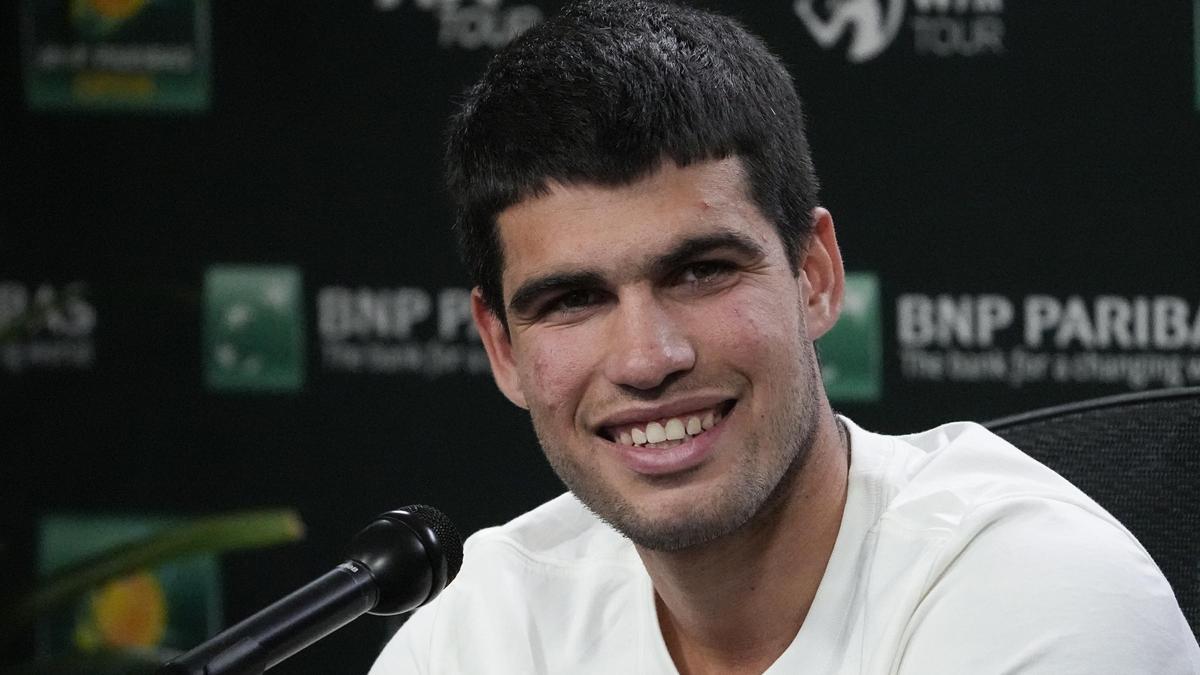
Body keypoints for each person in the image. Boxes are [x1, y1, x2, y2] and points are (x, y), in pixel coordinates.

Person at [371, 1, 1200, 672]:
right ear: (504, 348)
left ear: (814, 274)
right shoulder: (480, 629)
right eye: (574, 299)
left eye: (700, 273)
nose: (647, 358)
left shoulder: (1035, 588)